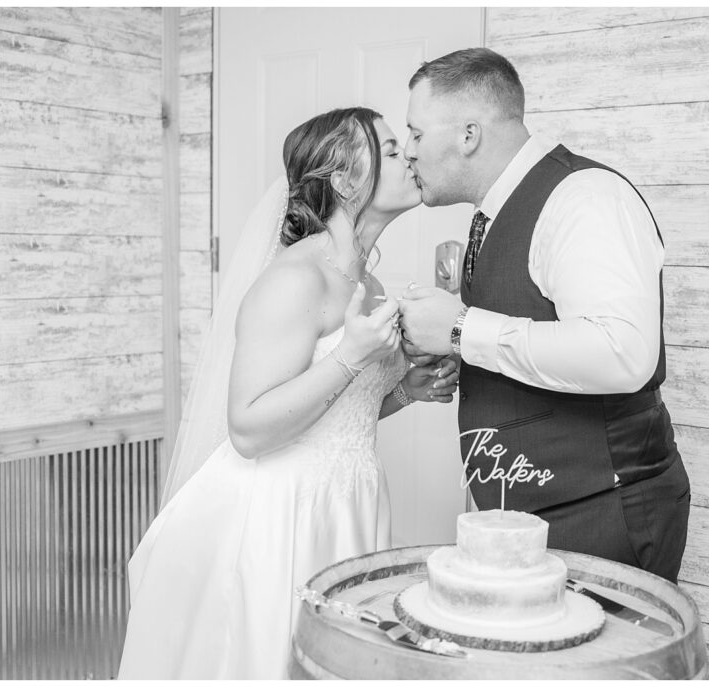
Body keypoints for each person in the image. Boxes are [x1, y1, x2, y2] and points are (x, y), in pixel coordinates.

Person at [117, 107, 458, 679]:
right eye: (393, 150)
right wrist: (352, 356)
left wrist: (403, 392)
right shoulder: (295, 278)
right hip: (278, 517)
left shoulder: (366, 282)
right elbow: (249, 429)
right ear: (346, 182)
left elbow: (337, 417)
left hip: (349, 504)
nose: (411, 158)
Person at [397, 48, 691, 584]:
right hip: (521, 514)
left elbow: (622, 354)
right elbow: (533, 335)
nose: (409, 152)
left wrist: (461, 329)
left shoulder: (584, 198)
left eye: (416, 133)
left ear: (468, 135)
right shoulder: (493, 217)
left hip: (601, 512)